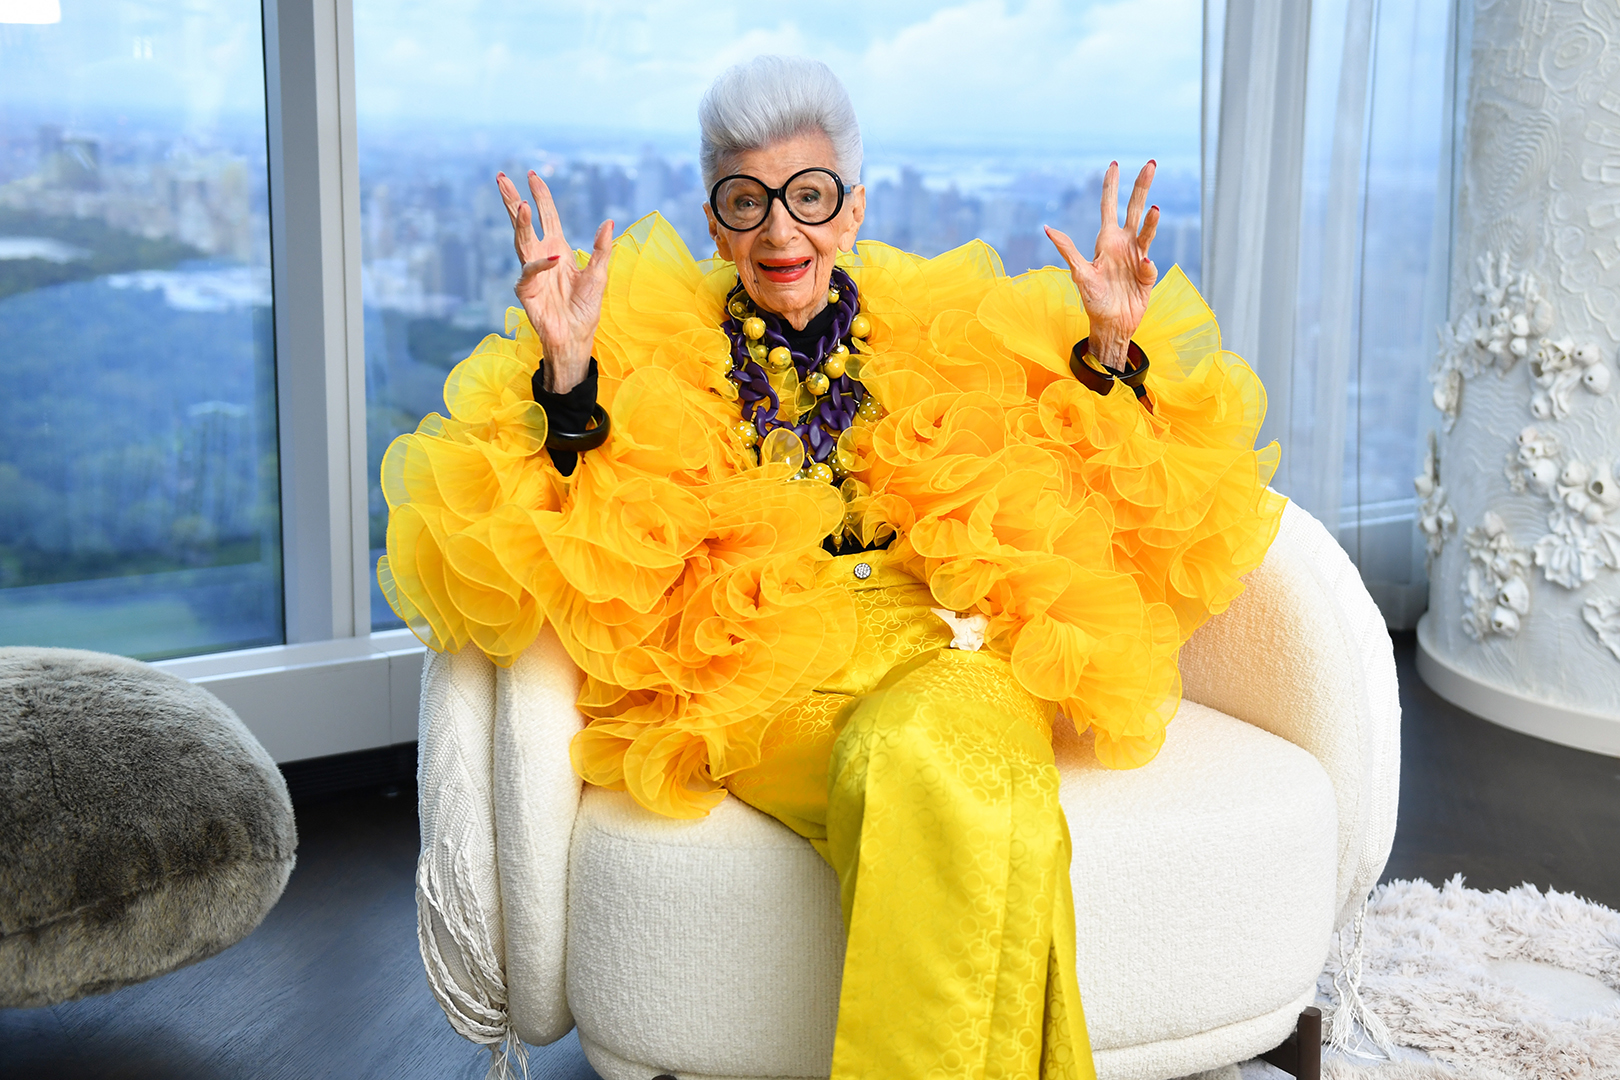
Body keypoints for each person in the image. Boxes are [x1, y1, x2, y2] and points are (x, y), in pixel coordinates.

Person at [381, 54, 1283, 1080]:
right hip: (766, 672)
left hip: (950, 648)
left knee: (947, 767)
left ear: (850, 209)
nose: (780, 232)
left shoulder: (938, 325)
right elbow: (567, 523)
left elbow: (1082, 475)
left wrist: (1112, 349)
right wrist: (572, 374)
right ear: (715, 220)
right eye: (747, 201)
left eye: (808, 197)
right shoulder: (646, 340)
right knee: (963, 795)